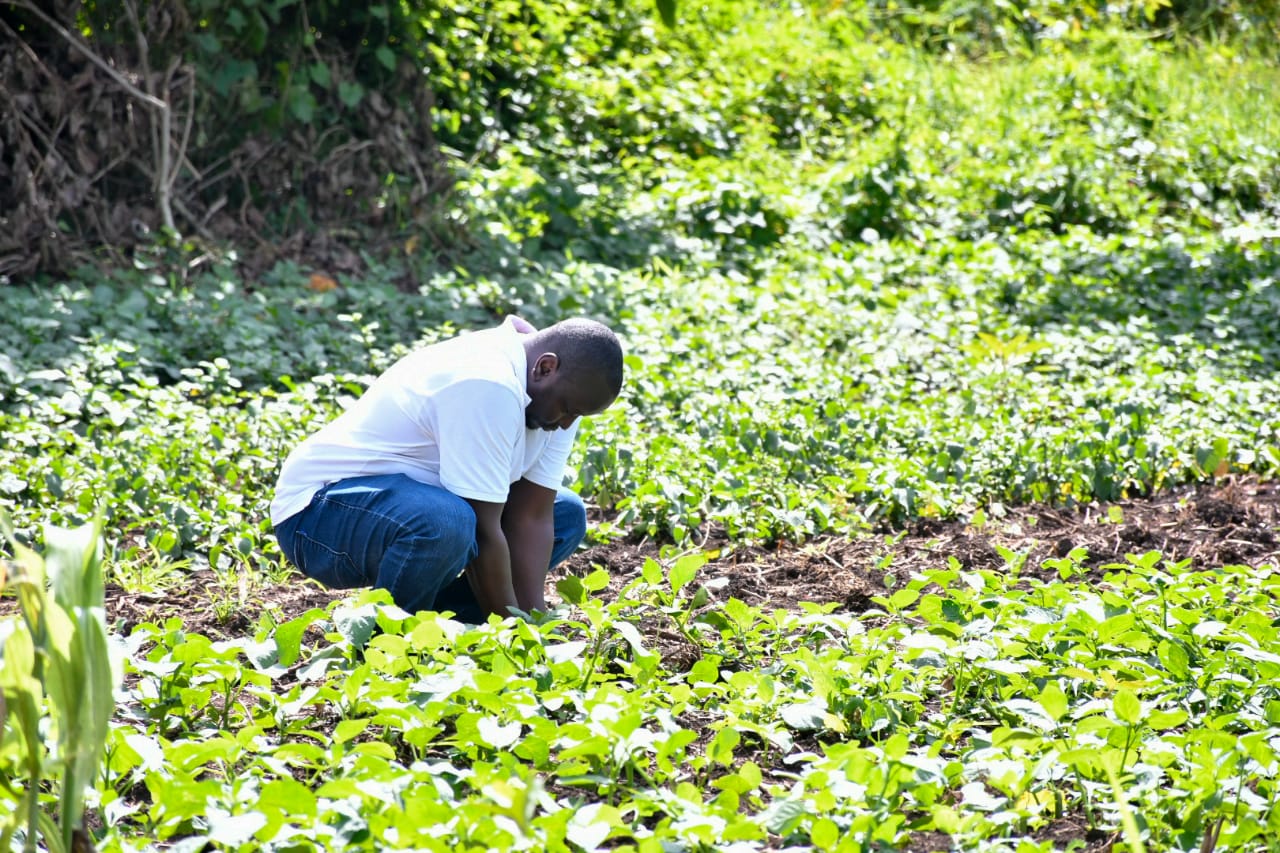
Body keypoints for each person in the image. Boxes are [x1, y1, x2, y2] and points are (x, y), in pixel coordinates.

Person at [270, 316, 623, 622]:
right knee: (449, 522)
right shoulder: (488, 382)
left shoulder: (561, 392)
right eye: (566, 410)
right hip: (318, 516)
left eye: (577, 414)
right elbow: (483, 529)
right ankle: (385, 643)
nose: (565, 424)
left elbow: (531, 517)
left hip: (405, 509)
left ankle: (436, 622)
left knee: (566, 514)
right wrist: (519, 636)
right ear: (545, 367)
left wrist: (535, 623)